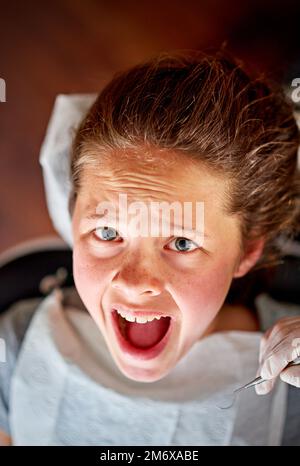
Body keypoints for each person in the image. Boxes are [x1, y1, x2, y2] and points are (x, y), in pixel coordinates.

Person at [1, 51, 300, 446]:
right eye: (107, 233)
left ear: (247, 251)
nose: (135, 281)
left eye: (181, 242)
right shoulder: (16, 347)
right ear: (72, 221)